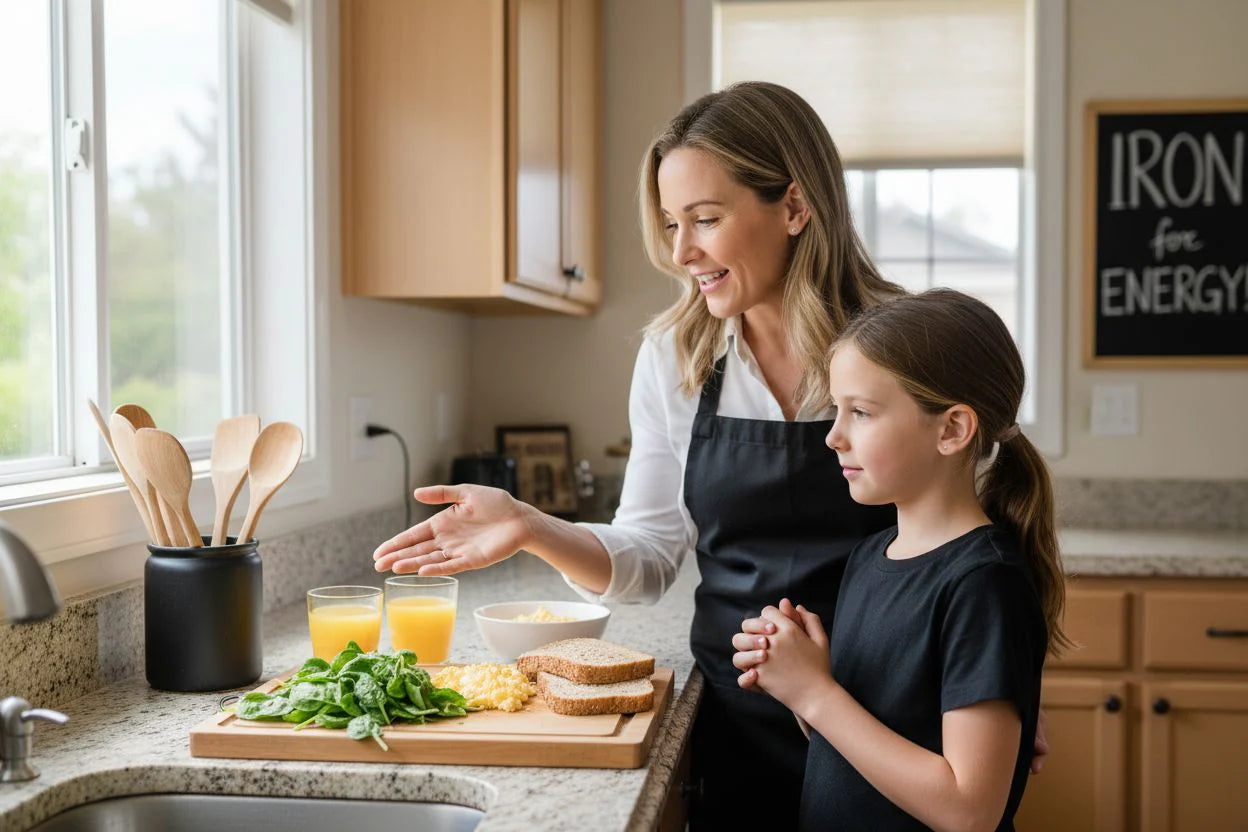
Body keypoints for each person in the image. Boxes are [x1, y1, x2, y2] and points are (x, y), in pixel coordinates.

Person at [372, 82, 1041, 826]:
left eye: (705, 220)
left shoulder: (900, 345)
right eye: (669, 223)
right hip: (742, 711)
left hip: (899, 714)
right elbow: (651, 554)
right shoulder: (675, 357)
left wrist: (988, 696)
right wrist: (532, 526)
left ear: (793, 207)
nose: (680, 251)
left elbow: (975, 531)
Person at [732, 288, 1069, 831]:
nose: (833, 437)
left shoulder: (984, 585)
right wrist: (798, 681)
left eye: (860, 413)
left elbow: (968, 811)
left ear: (953, 429)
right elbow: (867, 740)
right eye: (836, 411)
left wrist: (818, 696)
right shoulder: (869, 557)